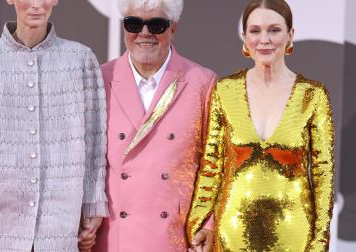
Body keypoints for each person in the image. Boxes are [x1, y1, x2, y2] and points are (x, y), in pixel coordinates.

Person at [0, 0, 108, 251]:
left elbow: (95, 140)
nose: (36, 5)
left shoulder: (81, 59)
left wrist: (93, 204)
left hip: (60, 224)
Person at [187, 0, 335, 251]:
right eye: (255, 31)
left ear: (290, 35)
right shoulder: (225, 90)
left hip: (294, 235)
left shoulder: (313, 95)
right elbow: (211, 166)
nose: (264, 39)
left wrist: (320, 241)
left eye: (274, 30)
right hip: (231, 232)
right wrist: (199, 223)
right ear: (244, 38)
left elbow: (323, 177)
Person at [87, 0, 218, 251]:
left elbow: (213, 166)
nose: (144, 34)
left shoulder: (202, 83)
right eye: (134, 23)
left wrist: (207, 226)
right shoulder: (100, 79)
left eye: (156, 25)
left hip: (174, 240)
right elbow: (85, 163)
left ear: (173, 27)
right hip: (113, 240)